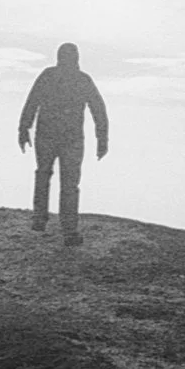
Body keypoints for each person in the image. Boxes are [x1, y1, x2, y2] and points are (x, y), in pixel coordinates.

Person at [17, 42, 109, 237]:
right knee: (63, 182)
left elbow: (32, 103)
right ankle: (60, 224)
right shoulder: (78, 79)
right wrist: (102, 139)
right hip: (63, 138)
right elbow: (98, 110)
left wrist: (24, 129)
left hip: (57, 137)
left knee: (50, 177)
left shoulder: (53, 76)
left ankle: (47, 221)